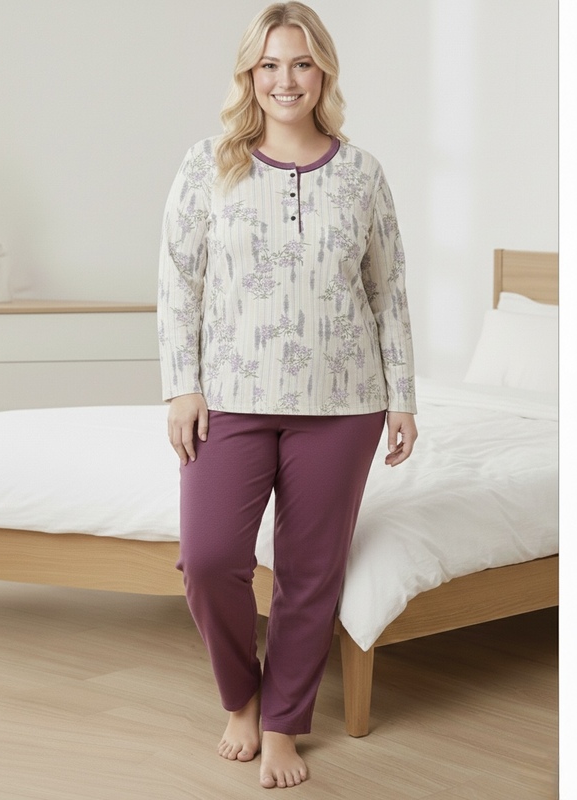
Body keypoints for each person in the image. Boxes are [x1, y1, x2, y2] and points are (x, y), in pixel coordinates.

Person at [157, 1, 417, 789]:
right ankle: (241, 697)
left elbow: (388, 293)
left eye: (301, 63)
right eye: (269, 65)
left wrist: (402, 397)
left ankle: (281, 724)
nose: (285, 80)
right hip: (231, 396)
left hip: (344, 402)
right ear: (249, 74)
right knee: (209, 560)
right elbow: (178, 284)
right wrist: (181, 387)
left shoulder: (363, 173)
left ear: (323, 71)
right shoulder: (208, 165)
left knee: (310, 572)